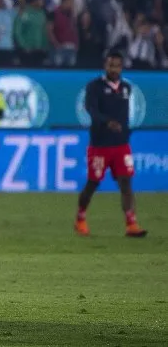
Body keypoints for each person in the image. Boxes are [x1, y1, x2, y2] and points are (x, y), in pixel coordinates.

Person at [75, 52, 147, 238]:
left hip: (121, 145)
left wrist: (125, 131)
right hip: (100, 144)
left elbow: (124, 115)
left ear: (122, 67)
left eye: (117, 66)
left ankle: (131, 223)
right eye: (110, 65)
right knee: (93, 182)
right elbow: (91, 110)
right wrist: (107, 122)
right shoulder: (94, 87)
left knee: (126, 182)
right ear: (104, 66)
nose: (114, 69)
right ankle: (80, 217)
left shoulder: (126, 88)